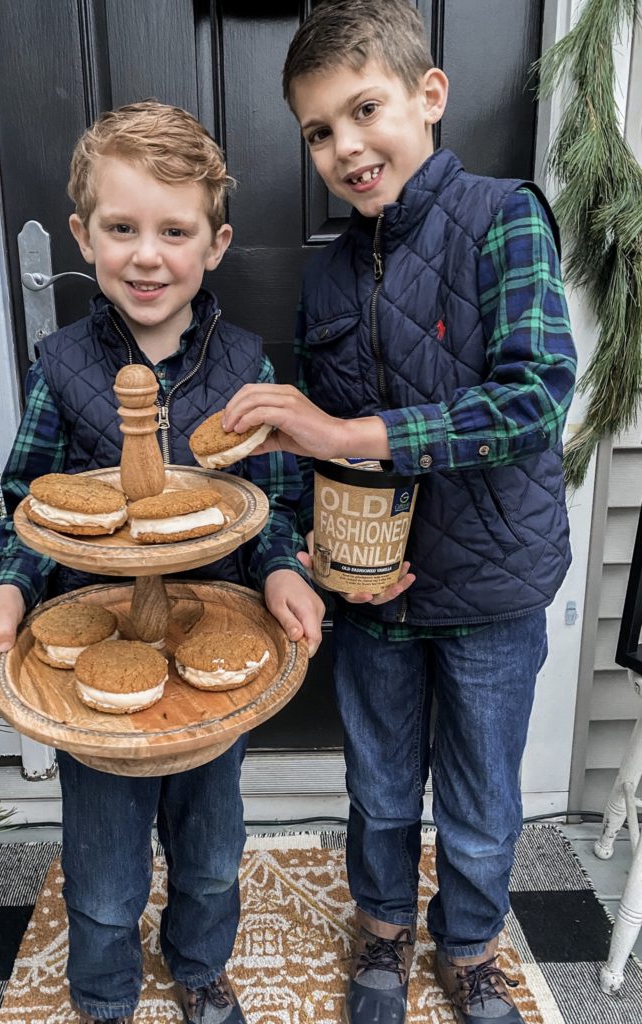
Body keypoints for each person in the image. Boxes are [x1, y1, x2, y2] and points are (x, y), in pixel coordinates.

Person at [222, 3, 577, 1023]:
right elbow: (313, 453)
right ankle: (381, 930)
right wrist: (316, 550)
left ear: (429, 97)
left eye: (362, 109)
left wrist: (345, 433)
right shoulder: (329, 269)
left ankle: (469, 946)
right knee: (378, 788)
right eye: (319, 131)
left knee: (479, 802)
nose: (344, 146)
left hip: (492, 588)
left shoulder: (505, 217)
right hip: (371, 596)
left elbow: (534, 396)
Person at [0, 101, 325, 1024]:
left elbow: (274, 504)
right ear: (84, 237)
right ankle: (104, 993)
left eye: (175, 230)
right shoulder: (63, 368)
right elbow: (28, 500)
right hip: (97, 674)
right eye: (122, 228)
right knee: (105, 860)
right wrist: (8, 585)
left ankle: (201, 970)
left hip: (211, 668)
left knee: (209, 847)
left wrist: (282, 570)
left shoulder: (245, 369)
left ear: (216, 243)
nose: (147, 255)